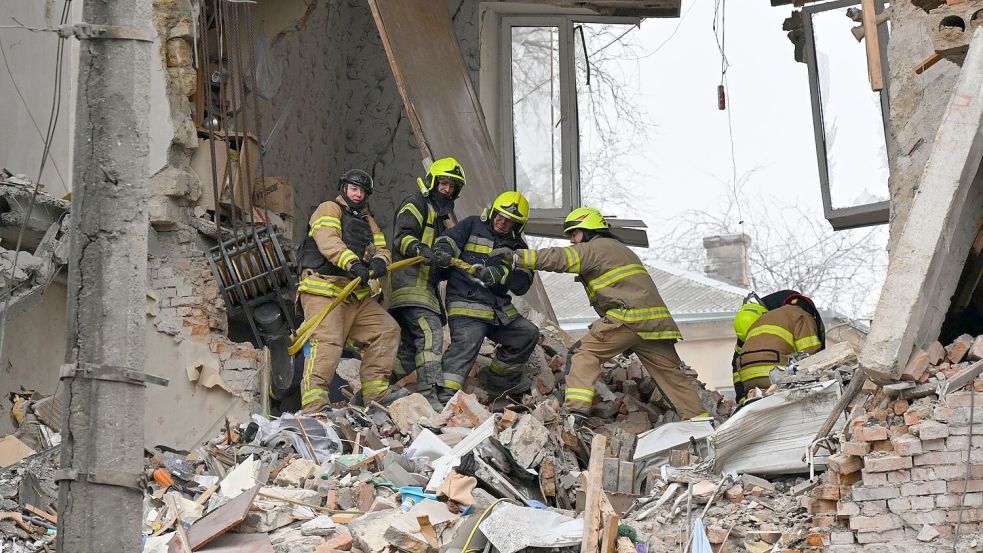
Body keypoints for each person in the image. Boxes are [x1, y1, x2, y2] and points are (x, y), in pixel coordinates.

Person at [497, 206, 707, 423]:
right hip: (654, 324)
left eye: (574, 233)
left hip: (628, 318)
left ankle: (575, 414)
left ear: (589, 229)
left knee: (583, 354)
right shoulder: (620, 249)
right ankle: (700, 422)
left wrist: (517, 257)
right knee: (672, 376)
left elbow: (560, 258)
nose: (572, 240)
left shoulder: (597, 248)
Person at [295, 169, 404, 413]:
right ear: (344, 188)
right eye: (354, 189)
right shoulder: (328, 208)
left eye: (363, 191)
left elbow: (382, 248)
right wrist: (353, 263)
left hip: (356, 295)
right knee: (327, 343)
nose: (358, 194)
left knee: (386, 330)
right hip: (324, 290)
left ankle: (376, 397)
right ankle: (314, 408)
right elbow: (328, 241)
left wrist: (380, 262)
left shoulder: (368, 221)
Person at [431, 191, 539, 402]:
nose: (502, 222)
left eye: (509, 221)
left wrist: (502, 275)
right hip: (465, 302)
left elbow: (522, 284)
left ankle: (499, 387)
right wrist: (443, 251)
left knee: (526, 334)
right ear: (492, 212)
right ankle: (444, 397)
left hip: (497, 309)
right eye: (500, 216)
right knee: (469, 340)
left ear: (518, 226)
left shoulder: (518, 248)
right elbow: (449, 240)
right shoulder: (472, 225)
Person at [389, 157, 466, 407]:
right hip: (412, 288)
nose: (447, 189)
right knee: (431, 334)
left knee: (409, 352)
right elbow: (402, 237)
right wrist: (421, 249)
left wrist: (445, 265)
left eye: (452, 186)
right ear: (432, 182)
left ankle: (375, 390)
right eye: (443, 183)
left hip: (424, 291)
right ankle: (430, 397)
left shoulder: (441, 219)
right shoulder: (416, 203)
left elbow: (436, 266)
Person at [732, 289, 825, 400]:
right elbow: (810, 353)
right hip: (775, 376)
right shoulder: (802, 315)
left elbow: (737, 362)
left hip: (747, 381)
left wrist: (741, 398)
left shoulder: (760, 320)